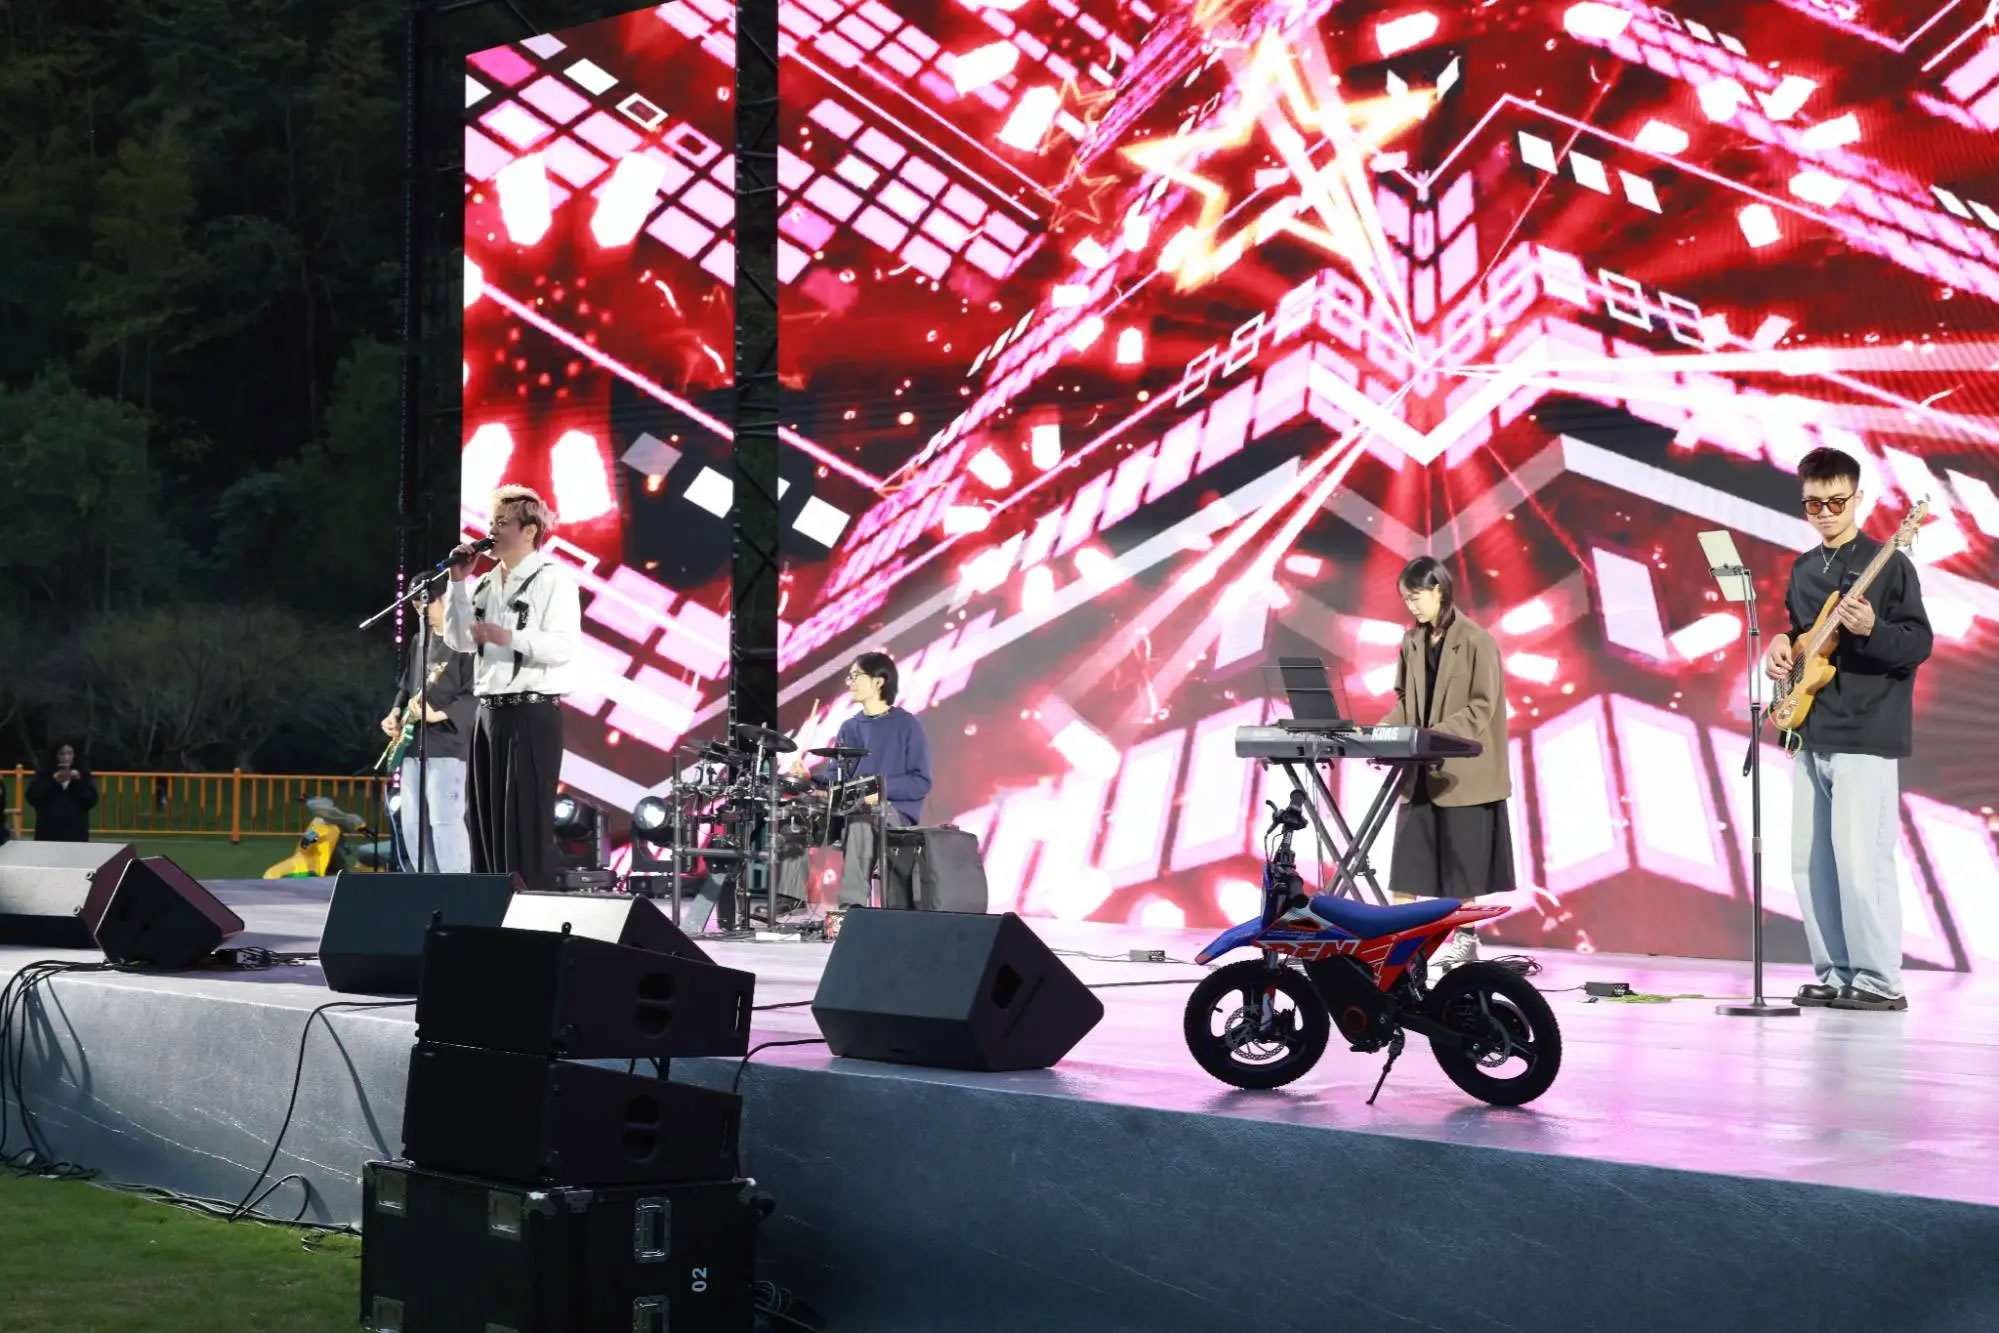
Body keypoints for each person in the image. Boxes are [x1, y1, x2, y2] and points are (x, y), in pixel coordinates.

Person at [1765, 446, 1931, 1012]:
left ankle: (1880, 981)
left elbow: (1917, 643)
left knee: (1862, 860)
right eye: (1814, 504)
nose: (1826, 513)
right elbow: (1802, 631)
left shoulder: (1890, 564)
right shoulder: (1804, 568)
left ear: (1858, 498)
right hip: (1812, 729)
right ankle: (1837, 973)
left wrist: (1873, 629)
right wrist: (1782, 644)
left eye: (1837, 501)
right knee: (1809, 864)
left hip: (1867, 732)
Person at [1379, 556, 1515, 977]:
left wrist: (1435, 735)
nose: (1412, 606)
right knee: (1407, 867)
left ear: (1439, 589)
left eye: (1417, 596)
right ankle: (1400, 949)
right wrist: (1381, 731)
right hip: (1420, 771)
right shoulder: (1411, 641)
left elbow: (1481, 706)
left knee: (1461, 870)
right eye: (1406, 599)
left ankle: (1466, 942)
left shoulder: (1477, 640)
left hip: (1463, 773)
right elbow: (1404, 700)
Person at [442, 485, 581, 891]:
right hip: (489, 712)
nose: (492, 531)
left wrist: (510, 638)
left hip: (531, 711)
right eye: (492, 522)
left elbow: (562, 647)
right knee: (485, 816)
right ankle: (490, 901)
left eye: (502, 523)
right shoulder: (484, 583)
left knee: (524, 820)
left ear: (530, 530)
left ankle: (530, 903)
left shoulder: (552, 578)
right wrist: (458, 584)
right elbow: (459, 640)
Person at [780, 651, 933, 913]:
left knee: (862, 817)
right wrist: (810, 778)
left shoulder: (907, 725)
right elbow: (836, 779)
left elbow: (920, 782)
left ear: (879, 681)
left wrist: (879, 789)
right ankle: (789, 898)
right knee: (799, 811)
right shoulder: (849, 727)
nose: (849, 682)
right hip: (849, 807)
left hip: (890, 812)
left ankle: (852, 909)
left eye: (855, 676)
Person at [380, 594, 476, 873]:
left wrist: (438, 714)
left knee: (444, 820)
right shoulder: (418, 641)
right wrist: (394, 713)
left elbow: (476, 694)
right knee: (412, 821)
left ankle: (456, 884)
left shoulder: (467, 642)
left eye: (427, 605)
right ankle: (425, 882)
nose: (423, 612)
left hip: (447, 745)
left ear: (445, 599)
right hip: (412, 745)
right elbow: (406, 687)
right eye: (417, 607)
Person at [27, 744, 98, 843]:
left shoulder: (83, 774)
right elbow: (33, 798)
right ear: (55, 755)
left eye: (70, 753)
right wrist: (54, 781)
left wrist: (77, 782)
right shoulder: (44, 773)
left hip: (76, 834)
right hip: (47, 833)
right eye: (61, 754)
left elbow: (90, 801)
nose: (66, 758)